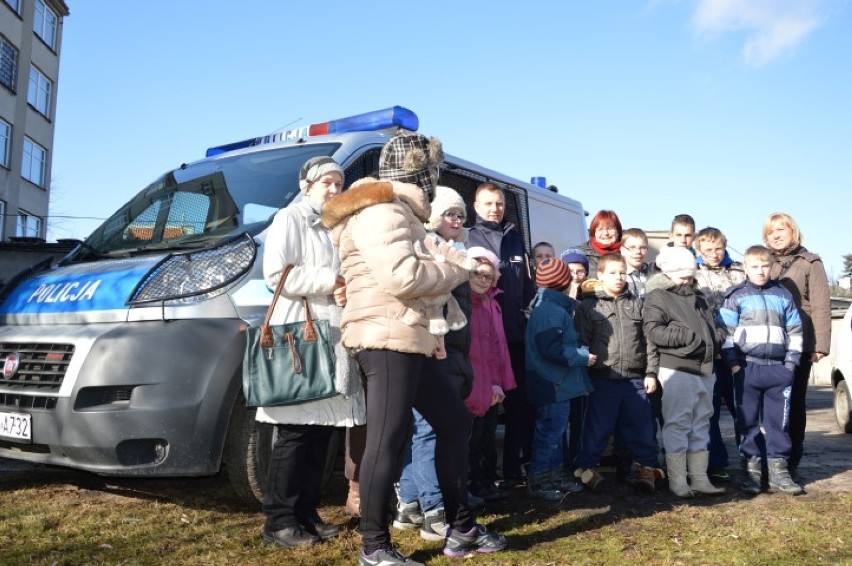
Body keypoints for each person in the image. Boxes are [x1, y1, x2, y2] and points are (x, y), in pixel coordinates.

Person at [322, 133, 506, 565]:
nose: (434, 179)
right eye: (432, 173)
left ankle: (461, 529)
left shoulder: (399, 213)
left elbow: (425, 260)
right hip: (386, 339)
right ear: (421, 174)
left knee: (455, 421)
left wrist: (462, 267)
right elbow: (404, 277)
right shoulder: (382, 212)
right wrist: (457, 271)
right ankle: (374, 547)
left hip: (409, 337)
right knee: (386, 440)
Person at [258, 156, 366, 549]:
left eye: (340, 184)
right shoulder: (291, 218)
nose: (335, 190)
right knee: (295, 432)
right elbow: (277, 274)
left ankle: (306, 512)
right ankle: (279, 520)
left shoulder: (335, 225)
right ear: (307, 185)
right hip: (300, 334)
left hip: (329, 332)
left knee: (320, 433)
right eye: (327, 183)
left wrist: (343, 287)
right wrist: (330, 280)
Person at [394, 186, 479, 541]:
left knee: (425, 430)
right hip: (434, 349)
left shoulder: (457, 252)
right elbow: (429, 302)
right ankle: (434, 512)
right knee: (430, 430)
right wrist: (437, 343)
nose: (457, 221)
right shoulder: (427, 249)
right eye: (450, 214)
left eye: (460, 215)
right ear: (433, 217)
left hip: (451, 352)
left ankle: (409, 504)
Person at [717, 245, 804, 495]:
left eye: (765, 265)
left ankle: (779, 471)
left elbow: (796, 331)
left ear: (772, 267)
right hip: (746, 369)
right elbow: (726, 334)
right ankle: (752, 472)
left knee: (778, 423)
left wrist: (790, 365)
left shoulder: (783, 295)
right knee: (747, 422)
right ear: (745, 268)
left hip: (778, 370)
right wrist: (733, 363)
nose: (761, 271)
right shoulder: (735, 295)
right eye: (755, 266)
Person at [573, 253, 663, 493]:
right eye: (612, 272)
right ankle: (586, 470)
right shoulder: (589, 307)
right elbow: (581, 342)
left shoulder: (637, 304)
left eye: (622, 272)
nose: (618, 277)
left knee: (641, 428)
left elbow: (649, 343)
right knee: (597, 428)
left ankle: (647, 468)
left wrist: (651, 373)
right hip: (603, 380)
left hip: (634, 379)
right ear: (600, 275)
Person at [467, 182, 536, 489]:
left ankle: (514, 471)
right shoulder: (468, 237)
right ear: (476, 206)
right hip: (481, 339)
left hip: (515, 339)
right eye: (488, 203)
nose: (494, 208)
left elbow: (526, 288)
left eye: (499, 204)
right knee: (483, 411)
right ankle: (478, 477)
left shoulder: (515, 240)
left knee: (519, 408)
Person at [643, 246, 725, 498]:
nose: (687, 280)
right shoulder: (657, 296)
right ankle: (678, 479)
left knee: (701, 421)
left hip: (706, 369)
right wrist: (689, 338)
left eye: (689, 275)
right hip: (677, 368)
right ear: (668, 273)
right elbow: (653, 331)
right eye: (682, 275)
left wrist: (716, 337)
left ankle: (699, 478)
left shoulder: (699, 297)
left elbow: (714, 325)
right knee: (677, 423)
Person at [763, 212, 831, 483]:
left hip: (799, 344)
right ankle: (771, 460)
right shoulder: (762, 262)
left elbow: (821, 305)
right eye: (770, 232)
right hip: (767, 345)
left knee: (794, 405)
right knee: (770, 405)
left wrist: (819, 344)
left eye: (782, 229)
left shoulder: (809, 262)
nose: (776, 235)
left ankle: (791, 460)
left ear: (793, 231)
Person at [525, 258, 595, 500]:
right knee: (549, 434)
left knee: (555, 432)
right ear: (564, 281)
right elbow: (551, 349)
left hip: (557, 383)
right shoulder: (550, 310)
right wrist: (582, 356)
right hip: (552, 383)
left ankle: (553, 476)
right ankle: (539, 480)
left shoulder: (549, 306)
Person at [692, 227, 745, 483]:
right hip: (709, 353)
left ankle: (751, 459)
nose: (714, 254)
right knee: (709, 412)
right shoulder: (692, 274)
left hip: (738, 350)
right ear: (699, 250)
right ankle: (717, 463)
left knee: (743, 410)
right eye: (708, 249)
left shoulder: (740, 272)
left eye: (718, 248)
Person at [465, 246, 517, 501]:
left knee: (486, 438)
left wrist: (497, 384)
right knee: (470, 440)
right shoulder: (463, 304)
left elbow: (497, 349)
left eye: (488, 276)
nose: (483, 280)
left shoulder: (492, 304)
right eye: (477, 273)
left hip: (490, 383)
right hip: (469, 383)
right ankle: (470, 486)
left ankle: (484, 483)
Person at [558, 247, 591, 472]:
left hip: (583, 365)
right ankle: (560, 463)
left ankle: (576, 462)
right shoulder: (557, 298)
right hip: (562, 365)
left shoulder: (591, 299)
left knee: (580, 418)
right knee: (560, 419)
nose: (575, 276)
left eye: (580, 272)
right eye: (570, 271)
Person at [578, 210, 623, 277]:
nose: (605, 233)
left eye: (610, 228)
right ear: (594, 232)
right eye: (600, 229)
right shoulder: (579, 255)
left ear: (618, 231)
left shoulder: (628, 254)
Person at [621, 228, 653, 301]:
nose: (638, 251)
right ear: (622, 250)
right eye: (632, 247)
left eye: (642, 248)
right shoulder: (619, 276)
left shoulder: (652, 273)